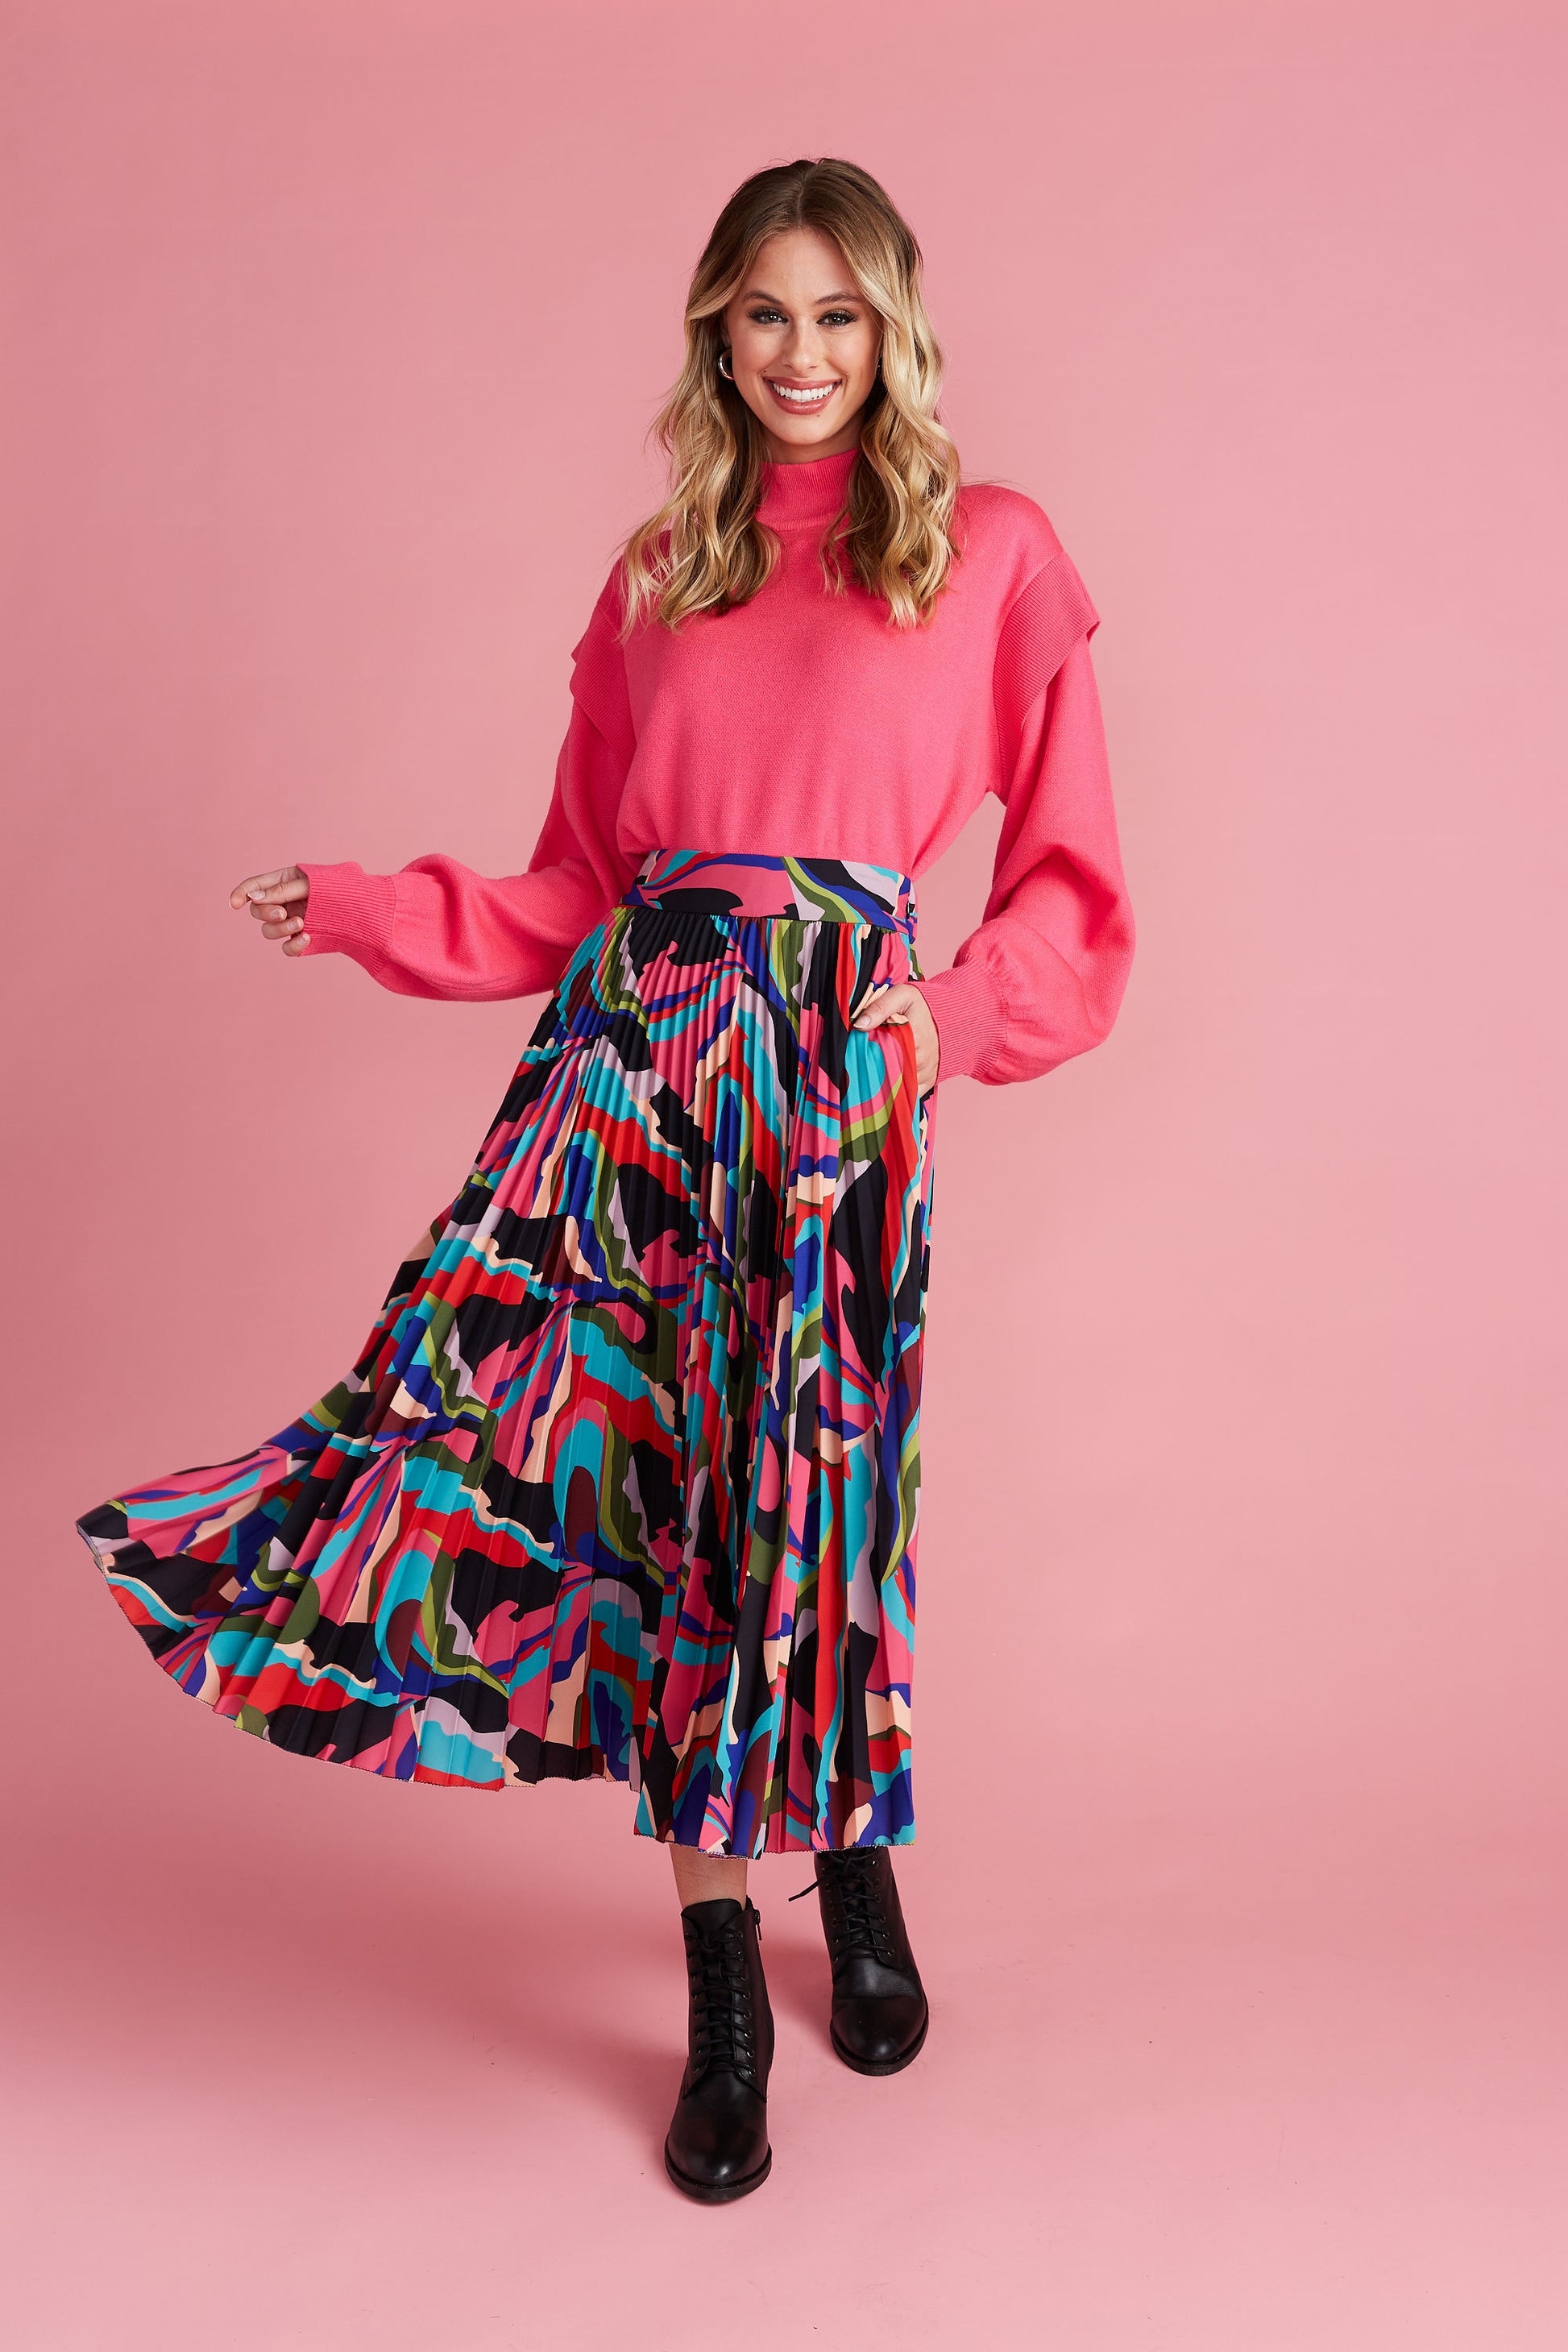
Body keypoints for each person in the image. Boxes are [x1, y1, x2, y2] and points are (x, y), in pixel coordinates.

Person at [77, 156, 1135, 2203]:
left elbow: (1076, 875)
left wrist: (952, 1004)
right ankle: (722, 1971)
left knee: (823, 1485)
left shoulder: (987, 553)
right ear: (712, 337)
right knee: (659, 1507)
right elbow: (578, 880)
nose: (800, 355)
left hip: (832, 1082)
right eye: (762, 315)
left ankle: (861, 1851)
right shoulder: (659, 572)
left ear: (892, 330)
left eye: (836, 316)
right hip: (634, 1072)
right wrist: (375, 904)